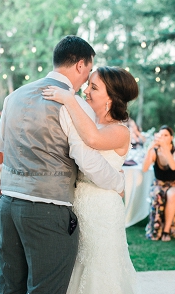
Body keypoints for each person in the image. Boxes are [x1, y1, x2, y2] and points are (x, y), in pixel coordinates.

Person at [0, 36, 126, 293]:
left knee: (10, 286)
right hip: (46, 209)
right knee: (46, 288)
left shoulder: (14, 96)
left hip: (8, 204)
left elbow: (1, 144)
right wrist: (119, 181)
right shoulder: (73, 104)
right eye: (88, 71)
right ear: (80, 65)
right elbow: (87, 161)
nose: (87, 80)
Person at [42, 65, 139, 294]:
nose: (86, 90)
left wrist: (69, 99)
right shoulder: (89, 122)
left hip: (102, 210)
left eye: (93, 87)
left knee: (99, 269)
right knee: (77, 267)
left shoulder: (120, 131)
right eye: (88, 84)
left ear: (111, 98)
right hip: (79, 204)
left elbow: (92, 140)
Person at [142, 125, 175, 242]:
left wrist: (165, 149)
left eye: (166, 135)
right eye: (160, 135)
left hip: (173, 184)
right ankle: (157, 229)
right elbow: (145, 168)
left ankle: (166, 231)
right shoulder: (155, 151)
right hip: (158, 184)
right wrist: (149, 149)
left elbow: (173, 166)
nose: (163, 137)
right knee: (158, 193)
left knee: (172, 194)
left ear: (171, 137)